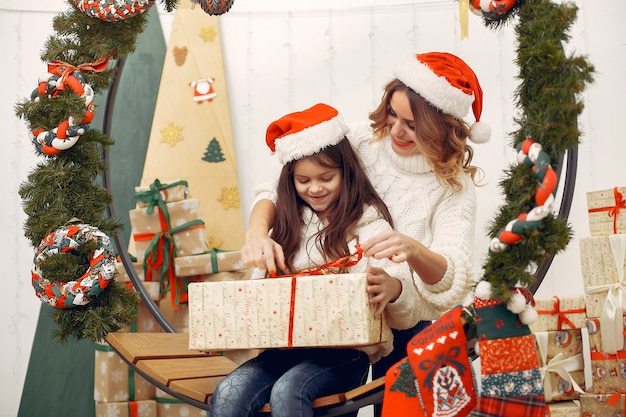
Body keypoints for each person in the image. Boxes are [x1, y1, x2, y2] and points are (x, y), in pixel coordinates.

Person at [241, 52, 489, 415]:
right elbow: (276, 189)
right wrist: (257, 232)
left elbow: (450, 281)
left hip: (403, 323)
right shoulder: (360, 140)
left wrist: (414, 251)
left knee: (396, 405)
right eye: (393, 114)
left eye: (412, 124)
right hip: (336, 325)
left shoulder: (454, 189)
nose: (397, 131)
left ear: (442, 126)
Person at [209, 103, 430, 417]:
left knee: (289, 390)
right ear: (291, 181)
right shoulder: (285, 230)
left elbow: (401, 287)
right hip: (284, 350)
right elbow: (263, 302)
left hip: (344, 354)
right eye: (303, 181)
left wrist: (392, 287)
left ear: (346, 173)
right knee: (229, 392)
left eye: (326, 178)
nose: (314, 188)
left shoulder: (368, 225)